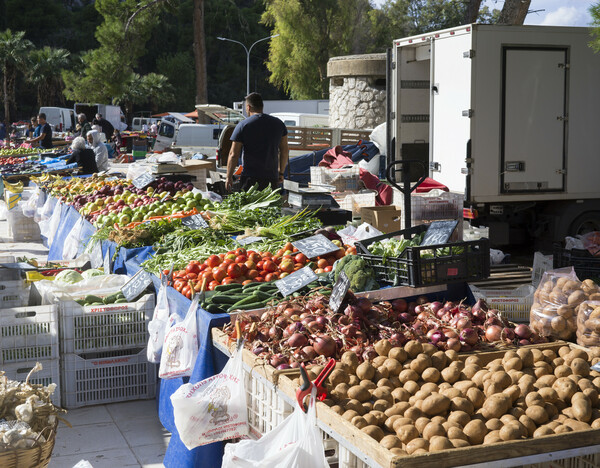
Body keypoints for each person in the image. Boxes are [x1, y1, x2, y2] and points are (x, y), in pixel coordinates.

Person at [226, 92, 288, 191]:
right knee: (270, 206)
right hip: (271, 178)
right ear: (262, 106)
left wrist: (228, 177)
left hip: (250, 178)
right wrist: (281, 172)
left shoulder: (243, 125)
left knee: (249, 206)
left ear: (248, 107)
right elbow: (284, 151)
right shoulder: (279, 124)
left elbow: (233, 154)